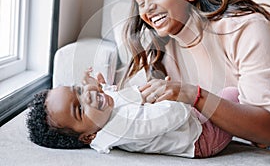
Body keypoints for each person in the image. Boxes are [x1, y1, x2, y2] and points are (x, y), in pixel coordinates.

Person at [119, 0, 270, 156]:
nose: (147, 8)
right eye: (140, 2)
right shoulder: (161, 55)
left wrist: (194, 95)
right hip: (250, 133)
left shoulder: (244, 28)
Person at [26, 68, 239, 158]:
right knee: (232, 95)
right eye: (80, 108)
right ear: (89, 136)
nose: (88, 96)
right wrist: (178, 95)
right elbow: (176, 115)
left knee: (221, 97)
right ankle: (259, 133)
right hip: (201, 136)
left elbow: (118, 98)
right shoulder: (123, 128)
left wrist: (101, 87)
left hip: (189, 121)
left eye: (79, 90)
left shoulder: (101, 117)